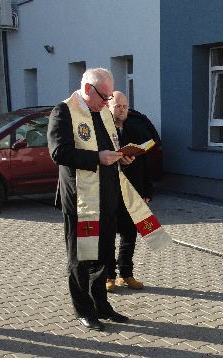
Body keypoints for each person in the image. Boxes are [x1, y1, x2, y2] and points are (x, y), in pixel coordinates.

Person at [47, 68, 133, 331]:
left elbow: (110, 150)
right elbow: (59, 152)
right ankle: (83, 309)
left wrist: (122, 157)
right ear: (87, 89)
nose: (107, 103)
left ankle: (101, 304)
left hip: (106, 198)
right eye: (104, 96)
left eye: (109, 97)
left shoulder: (102, 112)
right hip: (80, 201)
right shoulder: (63, 111)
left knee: (103, 255)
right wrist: (97, 158)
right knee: (80, 258)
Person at [105, 91, 154, 292]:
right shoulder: (102, 130)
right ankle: (109, 276)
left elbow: (145, 163)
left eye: (125, 106)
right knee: (108, 235)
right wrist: (119, 161)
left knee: (129, 234)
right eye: (118, 106)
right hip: (109, 191)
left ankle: (126, 274)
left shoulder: (134, 127)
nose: (122, 110)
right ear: (109, 107)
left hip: (133, 191)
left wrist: (146, 191)